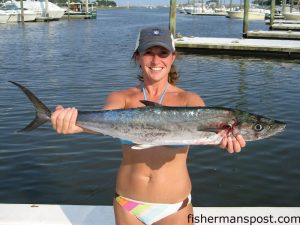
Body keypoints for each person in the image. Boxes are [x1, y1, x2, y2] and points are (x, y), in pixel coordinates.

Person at [51, 27, 246, 225]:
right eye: (148, 53)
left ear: (172, 58)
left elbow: (211, 133)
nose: (155, 61)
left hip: (175, 206)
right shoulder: (121, 97)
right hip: (128, 203)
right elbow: (103, 122)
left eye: (163, 53)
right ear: (137, 57)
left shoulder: (190, 100)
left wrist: (224, 142)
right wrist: (72, 124)